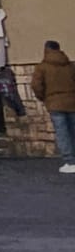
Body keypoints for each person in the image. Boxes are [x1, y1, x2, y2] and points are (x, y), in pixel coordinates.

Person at [31, 41, 75, 172]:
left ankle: (70, 161)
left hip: (55, 103)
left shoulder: (42, 67)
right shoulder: (70, 65)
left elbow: (36, 86)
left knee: (62, 133)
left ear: (46, 50)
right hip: (72, 102)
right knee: (73, 131)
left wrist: (44, 98)